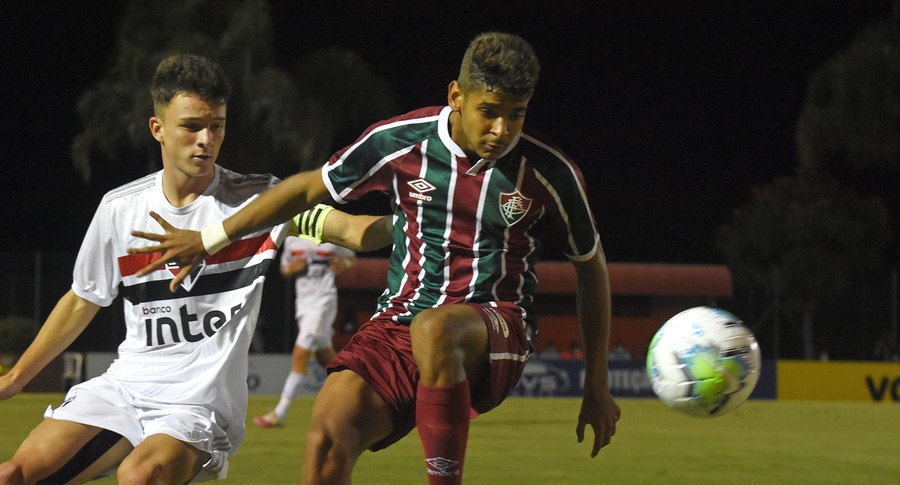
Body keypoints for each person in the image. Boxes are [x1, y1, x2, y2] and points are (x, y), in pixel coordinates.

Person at [129, 32, 621, 484]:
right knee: (325, 443)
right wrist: (207, 239)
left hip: (497, 325)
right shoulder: (400, 141)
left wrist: (596, 383)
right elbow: (307, 187)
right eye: (489, 111)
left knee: (436, 329)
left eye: (516, 114)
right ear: (456, 96)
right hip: (397, 325)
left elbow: (590, 268)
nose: (501, 129)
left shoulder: (549, 174)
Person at [0, 54, 293, 484]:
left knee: (139, 476)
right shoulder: (121, 208)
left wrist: (415, 218)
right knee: (14, 475)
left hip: (197, 403)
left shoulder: (256, 201)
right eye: (192, 126)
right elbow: (84, 299)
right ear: (157, 128)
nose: (206, 139)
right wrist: (15, 379)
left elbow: (349, 229)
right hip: (126, 387)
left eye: (217, 125)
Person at [253, 236, 356, 428]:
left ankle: (279, 412)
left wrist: (343, 263)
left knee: (300, 353)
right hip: (303, 303)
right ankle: (356, 395)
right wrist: (293, 268)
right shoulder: (292, 239)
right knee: (326, 357)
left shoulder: (330, 237)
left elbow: (351, 257)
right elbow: (285, 268)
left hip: (324, 300)